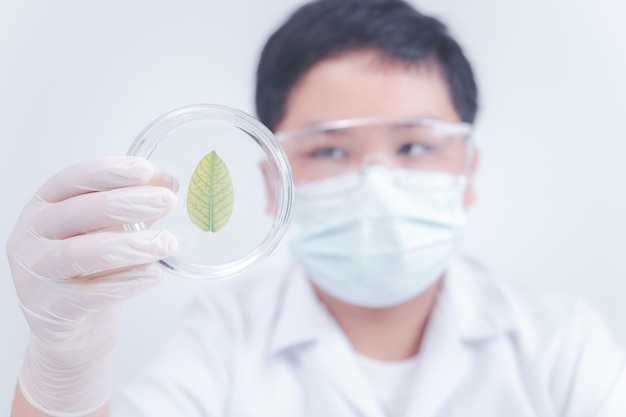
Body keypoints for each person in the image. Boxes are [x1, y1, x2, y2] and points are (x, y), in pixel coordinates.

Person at [8, 0, 625, 416]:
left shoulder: (561, 346)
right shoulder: (223, 339)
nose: (376, 185)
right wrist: (62, 372)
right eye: (330, 149)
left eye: (414, 146)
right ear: (275, 184)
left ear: (468, 173)